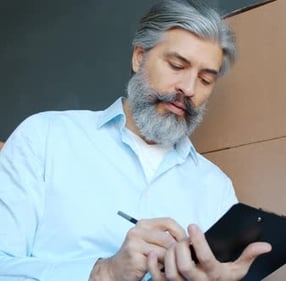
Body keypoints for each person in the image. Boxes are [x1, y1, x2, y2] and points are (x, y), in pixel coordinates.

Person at [0, 1, 271, 280]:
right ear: (139, 57)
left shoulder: (217, 189)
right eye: (177, 65)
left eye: (204, 80)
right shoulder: (44, 138)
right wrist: (103, 272)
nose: (188, 89)